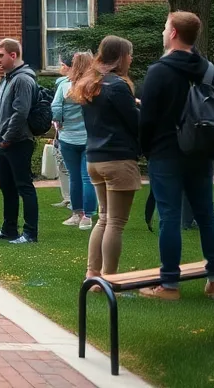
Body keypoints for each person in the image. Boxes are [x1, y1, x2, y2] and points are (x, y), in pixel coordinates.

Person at [137, 11, 214, 301]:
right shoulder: (210, 71)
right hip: (201, 151)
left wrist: (145, 149)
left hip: (166, 152)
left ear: (174, 33)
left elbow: (147, 119)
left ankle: (169, 284)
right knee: (206, 214)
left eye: (165, 27)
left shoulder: (159, 71)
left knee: (170, 217)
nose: (163, 32)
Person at [70, 39, 140, 281]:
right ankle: (109, 278)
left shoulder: (90, 83)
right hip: (118, 159)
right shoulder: (119, 85)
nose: (131, 59)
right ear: (120, 57)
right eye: (129, 55)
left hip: (94, 159)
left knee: (104, 218)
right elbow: (135, 123)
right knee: (116, 222)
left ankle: (92, 274)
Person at [0, 38, 40, 244]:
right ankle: (9, 229)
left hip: (18, 142)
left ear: (13, 55)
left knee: (24, 186)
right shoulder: (8, 78)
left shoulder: (22, 79)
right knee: (7, 188)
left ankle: (30, 233)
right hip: (4, 142)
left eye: (0, 55)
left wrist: (7, 138)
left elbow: (20, 113)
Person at [51, 51, 97, 227]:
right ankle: (88, 216)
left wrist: (59, 122)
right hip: (88, 138)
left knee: (74, 177)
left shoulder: (64, 85)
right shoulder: (94, 86)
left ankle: (76, 213)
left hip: (67, 137)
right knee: (87, 178)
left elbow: (56, 108)